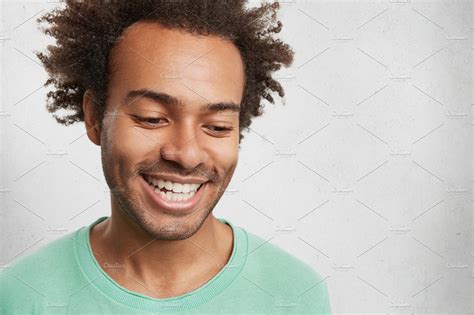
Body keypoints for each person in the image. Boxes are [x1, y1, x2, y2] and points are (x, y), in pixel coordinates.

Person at [0, 1, 331, 313]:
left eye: (217, 126)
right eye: (152, 118)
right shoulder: (20, 297)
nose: (186, 154)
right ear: (95, 118)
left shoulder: (294, 296)